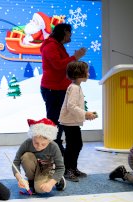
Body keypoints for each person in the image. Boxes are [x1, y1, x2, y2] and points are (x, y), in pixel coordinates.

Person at [40, 23, 87, 155]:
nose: (71, 35)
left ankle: (58, 152)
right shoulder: (50, 46)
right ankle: (53, 152)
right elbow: (58, 66)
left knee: (59, 121)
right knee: (55, 122)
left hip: (59, 89)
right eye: (69, 32)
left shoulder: (57, 45)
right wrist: (75, 57)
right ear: (64, 32)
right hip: (53, 90)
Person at [59, 61, 97, 182]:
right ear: (79, 73)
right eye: (87, 72)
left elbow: (75, 107)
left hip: (72, 122)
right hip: (69, 122)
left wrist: (86, 115)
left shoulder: (76, 87)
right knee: (72, 146)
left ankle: (73, 168)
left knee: (76, 145)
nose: (89, 74)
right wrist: (85, 114)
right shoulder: (74, 88)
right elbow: (71, 106)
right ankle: (67, 170)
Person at [13, 118, 66, 194]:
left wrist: (50, 183)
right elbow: (16, 162)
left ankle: (57, 179)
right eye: (36, 143)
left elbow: (61, 167)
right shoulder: (27, 143)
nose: (39, 146)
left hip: (46, 168)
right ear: (32, 138)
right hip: (33, 165)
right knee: (26, 156)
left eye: (43, 144)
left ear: (50, 140)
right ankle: (31, 181)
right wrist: (20, 179)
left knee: (40, 189)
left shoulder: (54, 146)